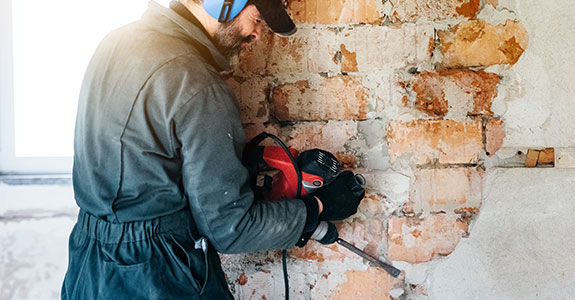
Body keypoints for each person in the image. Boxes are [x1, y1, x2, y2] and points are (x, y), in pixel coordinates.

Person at [61, 0, 364, 299]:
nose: (257, 34)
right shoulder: (198, 84)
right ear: (223, 4)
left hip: (87, 263)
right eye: (257, 19)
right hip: (157, 274)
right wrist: (319, 207)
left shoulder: (114, 43)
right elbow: (230, 228)